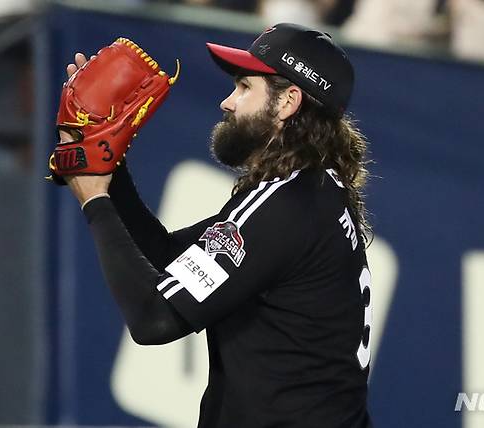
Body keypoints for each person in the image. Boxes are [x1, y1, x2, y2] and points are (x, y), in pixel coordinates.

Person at [61, 23, 373, 427]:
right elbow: (171, 258)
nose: (228, 102)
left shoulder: (286, 206)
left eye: (245, 87)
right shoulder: (309, 191)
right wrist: (109, 162)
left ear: (287, 102)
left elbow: (153, 319)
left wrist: (95, 199)